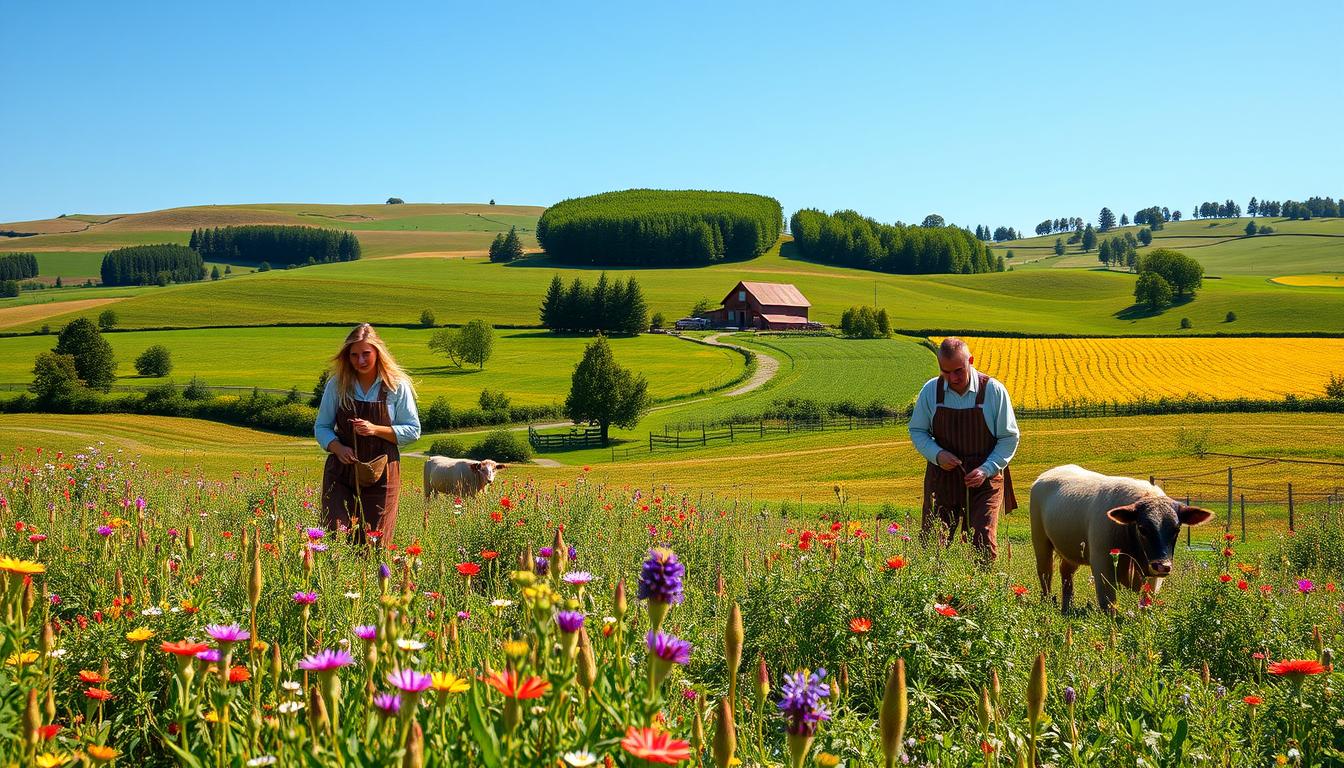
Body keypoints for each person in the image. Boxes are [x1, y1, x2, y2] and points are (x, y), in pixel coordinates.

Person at [908, 337, 1019, 563]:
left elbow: (1009, 438)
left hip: (985, 480)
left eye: (958, 370)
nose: (953, 378)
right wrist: (937, 455)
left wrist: (986, 469)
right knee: (932, 542)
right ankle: (934, 596)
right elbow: (917, 430)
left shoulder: (993, 391)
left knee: (983, 541)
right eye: (946, 372)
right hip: (943, 477)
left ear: (970, 360)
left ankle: (982, 593)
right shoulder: (931, 391)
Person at [315, 323, 421, 546]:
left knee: (374, 542)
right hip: (341, 470)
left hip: (382, 471)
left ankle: (371, 580)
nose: (360, 361)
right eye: (354, 355)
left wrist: (375, 429)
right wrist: (337, 448)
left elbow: (413, 430)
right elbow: (321, 427)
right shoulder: (338, 385)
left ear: (378, 353)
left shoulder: (396, 385)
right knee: (336, 534)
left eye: (366, 354)